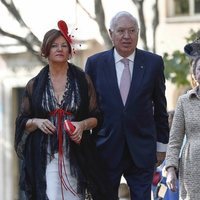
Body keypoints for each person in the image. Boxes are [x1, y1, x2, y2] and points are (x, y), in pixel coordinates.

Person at [14, 20, 112, 200]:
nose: (59, 49)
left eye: (64, 45)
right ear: (46, 50)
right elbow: (22, 121)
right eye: (54, 45)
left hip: (78, 154)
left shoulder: (83, 80)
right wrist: (37, 122)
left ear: (69, 51)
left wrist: (82, 125)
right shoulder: (34, 85)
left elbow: (97, 116)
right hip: (47, 154)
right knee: (50, 195)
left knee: (76, 196)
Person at [85, 11, 169, 200]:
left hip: (142, 149)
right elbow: (87, 109)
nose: (127, 36)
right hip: (105, 148)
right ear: (110, 33)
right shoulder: (95, 64)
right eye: (121, 31)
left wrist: (162, 147)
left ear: (138, 33)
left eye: (132, 30)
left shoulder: (153, 63)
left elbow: (160, 108)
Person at [165, 44, 200, 199]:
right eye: (199, 69)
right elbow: (175, 139)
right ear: (194, 74)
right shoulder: (184, 101)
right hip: (192, 168)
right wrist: (171, 169)